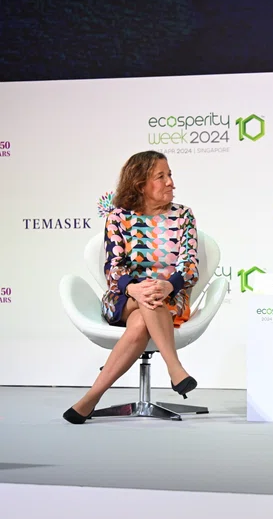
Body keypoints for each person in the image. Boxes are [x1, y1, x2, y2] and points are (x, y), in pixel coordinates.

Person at [63, 151, 200, 424]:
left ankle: (90, 399)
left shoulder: (183, 215)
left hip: (171, 296)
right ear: (140, 184)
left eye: (169, 174)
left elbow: (190, 267)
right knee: (147, 298)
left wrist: (168, 285)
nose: (171, 182)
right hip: (124, 297)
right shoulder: (118, 217)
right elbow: (113, 266)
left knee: (141, 321)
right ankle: (175, 369)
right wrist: (133, 289)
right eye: (161, 176)